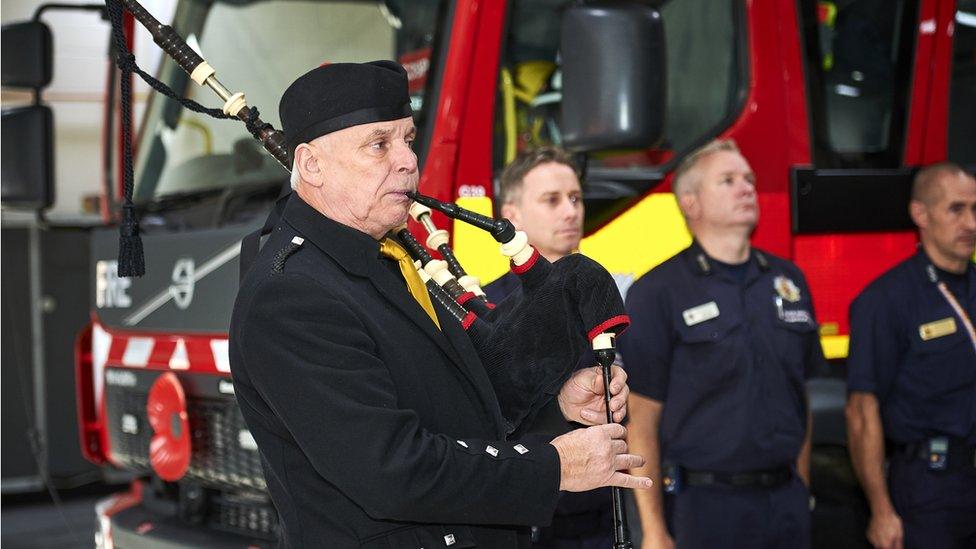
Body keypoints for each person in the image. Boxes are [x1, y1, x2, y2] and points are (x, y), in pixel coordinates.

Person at [228, 61, 651, 548]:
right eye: (379, 144)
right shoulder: (292, 295)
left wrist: (558, 408)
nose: (407, 160)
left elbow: (453, 414)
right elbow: (392, 471)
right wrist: (554, 467)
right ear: (311, 164)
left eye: (408, 140)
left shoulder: (389, 256)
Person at [619, 138, 822, 549]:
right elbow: (640, 419)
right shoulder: (659, 290)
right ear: (690, 204)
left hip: (786, 501)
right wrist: (654, 529)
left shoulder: (788, 281)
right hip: (706, 507)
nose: (747, 187)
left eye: (748, 178)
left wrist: (800, 485)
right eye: (727, 180)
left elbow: (802, 394)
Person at [485, 146, 611, 549]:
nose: (571, 212)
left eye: (575, 198)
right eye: (552, 200)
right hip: (520, 520)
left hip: (598, 518)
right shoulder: (485, 311)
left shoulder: (601, 300)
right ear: (512, 216)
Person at [845, 162, 976, 549]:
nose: (970, 222)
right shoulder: (885, 301)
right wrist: (881, 509)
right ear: (920, 214)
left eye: (975, 209)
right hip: (929, 489)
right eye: (956, 209)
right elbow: (861, 412)